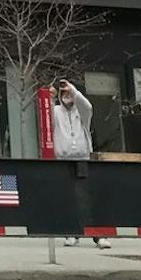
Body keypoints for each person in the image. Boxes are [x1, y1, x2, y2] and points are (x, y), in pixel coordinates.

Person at [50, 77, 109, 249]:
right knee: (68, 199)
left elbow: (88, 106)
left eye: (68, 92)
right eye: (64, 93)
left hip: (83, 159)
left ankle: (99, 236)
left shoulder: (81, 113)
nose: (66, 95)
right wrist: (50, 98)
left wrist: (73, 90)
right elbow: (45, 116)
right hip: (62, 160)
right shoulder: (56, 112)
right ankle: (71, 233)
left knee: (87, 198)